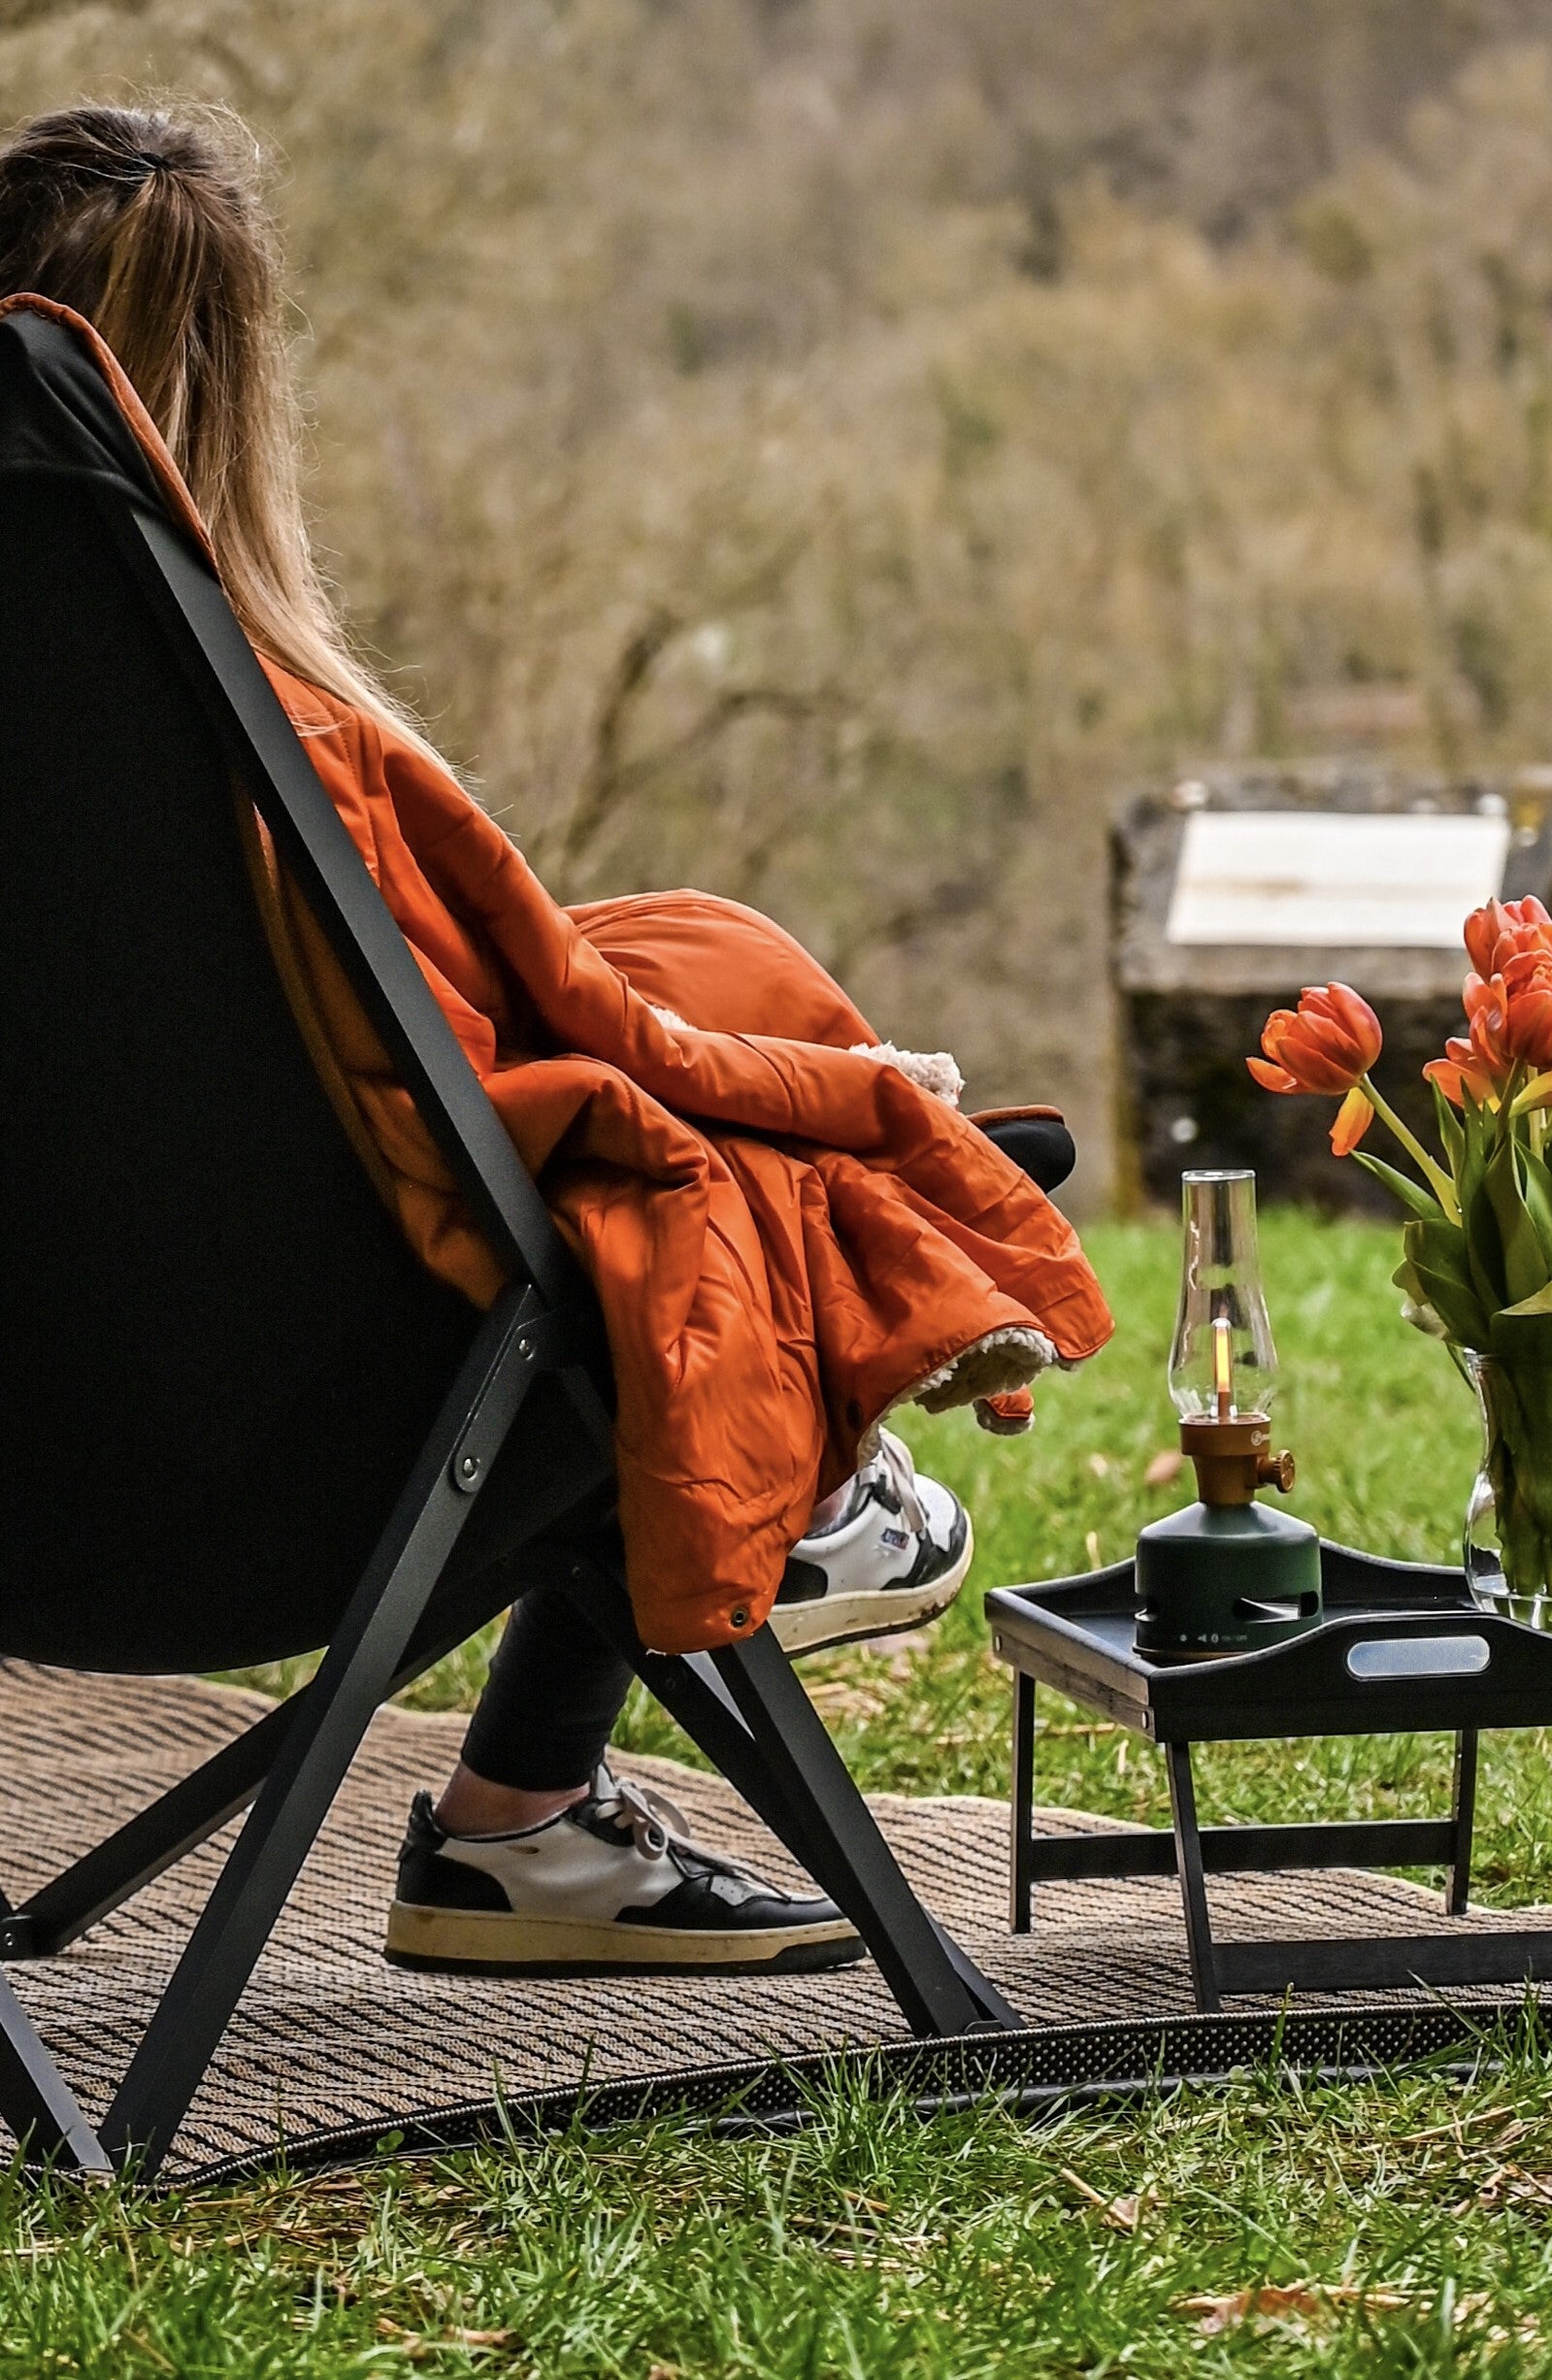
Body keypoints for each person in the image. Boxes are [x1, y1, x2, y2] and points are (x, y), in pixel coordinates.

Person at [0, 102, 1111, 1978]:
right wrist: (866, 1109)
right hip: (277, 1446)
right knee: (664, 1164)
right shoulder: (265, 742)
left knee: (693, 970)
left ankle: (529, 1828)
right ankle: (806, 1516)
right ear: (220, 388)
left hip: (52, 1450)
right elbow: (565, 1062)